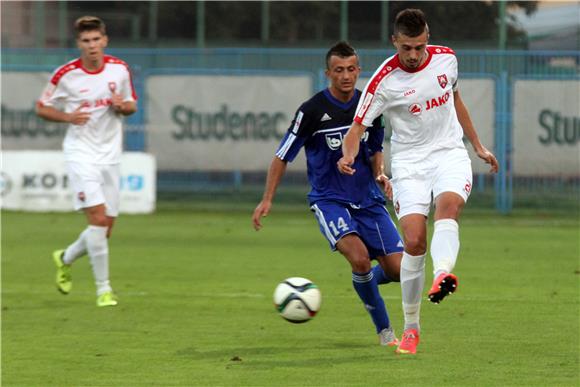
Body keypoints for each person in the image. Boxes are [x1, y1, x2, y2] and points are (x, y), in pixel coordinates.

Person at [338, 8, 499, 355]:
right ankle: (411, 328)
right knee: (413, 240)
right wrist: (348, 155)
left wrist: (478, 145)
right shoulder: (383, 82)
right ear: (395, 41)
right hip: (410, 162)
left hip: (448, 152)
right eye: (406, 48)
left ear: (428, 38)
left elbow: (456, 101)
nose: (413, 55)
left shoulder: (446, 60)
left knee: (449, 206)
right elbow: (356, 130)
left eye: (419, 47)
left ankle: (443, 274)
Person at [252, 41, 404, 347]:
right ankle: (385, 331)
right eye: (339, 70)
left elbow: (375, 149)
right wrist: (267, 198)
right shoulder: (311, 111)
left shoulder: (370, 105)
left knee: (401, 271)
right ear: (328, 73)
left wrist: (380, 175)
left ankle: (366, 283)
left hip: (368, 200)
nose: (346, 76)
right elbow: (282, 155)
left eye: (351, 69)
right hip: (329, 199)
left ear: (359, 70)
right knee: (360, 259)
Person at [36, 16, 137, 307]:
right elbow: (41, 108)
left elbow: (131, 105)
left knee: (105, 229)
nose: (92, 46)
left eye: (96, 40)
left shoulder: (119, 70)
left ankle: (65, 257)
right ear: (78, 44)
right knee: (97, 220)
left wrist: (122, 106)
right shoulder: (65, 75)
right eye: (86, 41)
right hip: (80, 154)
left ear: (104, 40)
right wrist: (68, 116)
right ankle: (103, 289)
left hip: (111, 156)